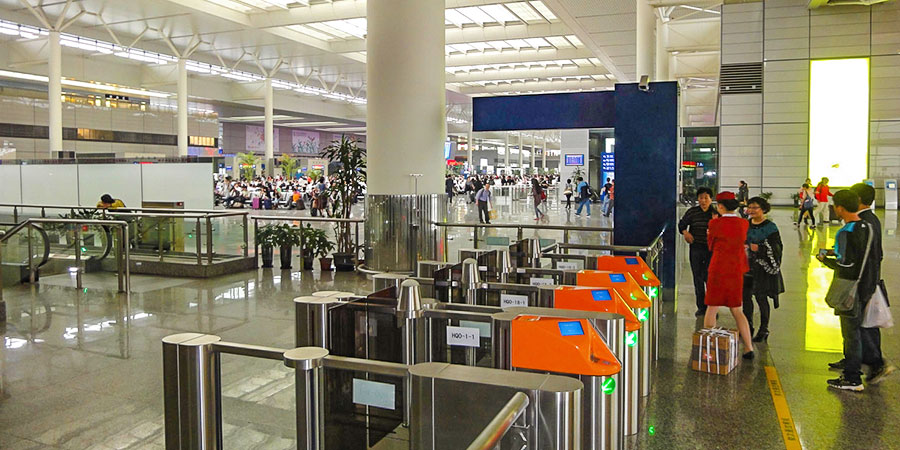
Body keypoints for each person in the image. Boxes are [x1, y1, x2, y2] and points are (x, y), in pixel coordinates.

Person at [817, 190, 877, 391]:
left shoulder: (846, 231)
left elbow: (848, 266)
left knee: (850, 334)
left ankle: (852, 377)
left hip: (849, 289)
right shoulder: (867, 226)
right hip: (866, 285)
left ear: (840, 208)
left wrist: (826, 261)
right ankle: (854, 371)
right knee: (857, 332)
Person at [840, 183, 895, 383]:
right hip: (869, 279)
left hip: (864, 281)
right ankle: (854, 358)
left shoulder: (863, 222)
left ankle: (876, 363)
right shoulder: (870, 219)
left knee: (864, 324)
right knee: (863, 322)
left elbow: (868, 256)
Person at [704, 191, 755, 359]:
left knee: (712, 307)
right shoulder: (743, 223)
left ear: (720, 206)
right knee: (737, 310)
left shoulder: (714, 224)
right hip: (735, 270)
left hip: (718, 268)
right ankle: (748, 347)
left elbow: (710, 246)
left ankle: (708, 348)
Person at [741, 197, 784, 342]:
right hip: (747, 266)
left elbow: (777, 248)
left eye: (755, 208)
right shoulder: (746, 224)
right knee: (746, 298)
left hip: (762, 269)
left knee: (761, 297)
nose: (751, 210)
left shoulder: (770, 227)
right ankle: (748, 326)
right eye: (749, 207)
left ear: (763, 209)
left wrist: (759, 249)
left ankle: (764, 328)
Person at [678, 187, 717, 317]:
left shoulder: (716, 213)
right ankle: (701, 306)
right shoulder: (692, 212)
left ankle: (712, 308)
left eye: (706, 198)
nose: (703, 200)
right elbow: (681, 225)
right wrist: (685, 233)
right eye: (701, 198)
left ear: (711, 199)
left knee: (710, 278)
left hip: (712, 250)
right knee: (698, 277)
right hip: (695, 248)